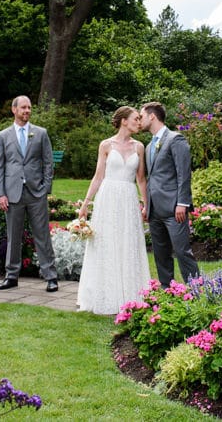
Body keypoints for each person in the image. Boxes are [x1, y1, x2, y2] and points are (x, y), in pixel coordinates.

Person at [76, 106, 151, 314]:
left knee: (128, 242)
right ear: (124, 121)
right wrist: (85, 203)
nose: (139, 122)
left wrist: (145, 204)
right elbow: (98, 176)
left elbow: (141, 179)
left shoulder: (139, 147)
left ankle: (130, 295)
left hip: (128, 198)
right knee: (106, 242)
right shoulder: (106, 145)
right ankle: (105, 294)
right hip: (108, 198)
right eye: (136, 119)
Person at [0, 96, 59, 292]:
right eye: (23, 107)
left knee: (42, 235)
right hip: (12, 194)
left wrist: (45, 188)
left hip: (36, 193)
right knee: (13, 236)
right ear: (14, 110)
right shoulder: (3, 136)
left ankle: (51, 277)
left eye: (29, 108)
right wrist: (0, 194)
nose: (27, 111)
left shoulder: (41, 133)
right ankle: (11, 276)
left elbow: (48, 163)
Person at [140, 101, 199, 286]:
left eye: (141, 116)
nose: (139, 121)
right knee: (160, 253)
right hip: (155, 210)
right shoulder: (149, 146)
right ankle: (168, 291)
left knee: (182, 251)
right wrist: (147, 206)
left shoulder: (176, 139)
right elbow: (152, 178)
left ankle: (197, 291)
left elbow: (184, 173)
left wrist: (182, 203)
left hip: (174, 208)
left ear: (152, 116)